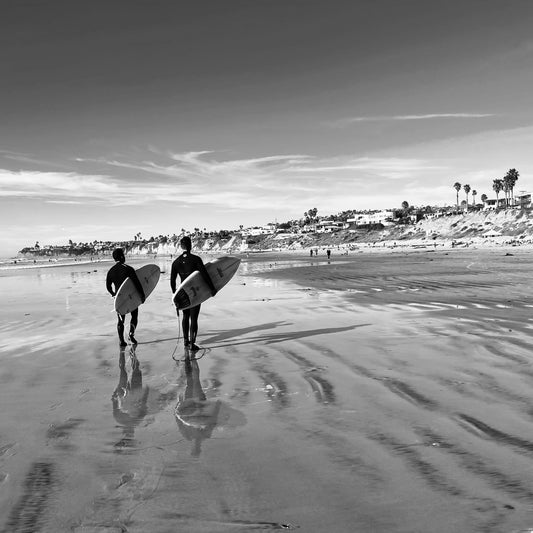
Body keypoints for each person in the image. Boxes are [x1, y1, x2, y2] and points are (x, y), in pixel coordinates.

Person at [170, 236, 216, 352]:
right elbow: (205, 275)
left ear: (181, 247)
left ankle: (186, 341)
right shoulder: (196, 259)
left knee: (185, 316)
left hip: (183, 293)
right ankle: (192, 344)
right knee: (194, 318)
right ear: (190, 245)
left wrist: (175, 296)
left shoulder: (176, 262)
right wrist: (212, 289)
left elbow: (172, 281)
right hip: (196, 292)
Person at [106, 248, 145, 347]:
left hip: (119, 299)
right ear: (121, 256)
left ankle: (121, 341)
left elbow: (108, 286)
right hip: (131, 297)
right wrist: (142, 295)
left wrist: (114, 294)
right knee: (134, 317)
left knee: (120, 321)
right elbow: (137, 284)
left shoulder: (111, 271)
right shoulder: (128, 269)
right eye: (123, 255)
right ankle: (131, 334)